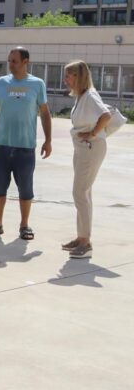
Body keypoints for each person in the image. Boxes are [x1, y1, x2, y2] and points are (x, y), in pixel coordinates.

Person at [0, 47, 52, 241]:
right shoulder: (2, 83)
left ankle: (24, 225)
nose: (10, 64)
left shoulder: (37, 84)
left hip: (25, 146)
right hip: (1, 144)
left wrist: (48, 140)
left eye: (14, 61)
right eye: (9, 61)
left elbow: (45, 113)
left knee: (25, 189)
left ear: (26, 61)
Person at [62, 61, 111, 259]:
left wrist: (92, 133)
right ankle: (82, 236)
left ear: (79, 76)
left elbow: (106, 115)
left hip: (91, 147)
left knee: (79, 192)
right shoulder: (82, 96)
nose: (65, 80)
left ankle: (85, 242)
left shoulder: (89, 95)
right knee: (84, 193)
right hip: (82, 148)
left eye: (69, 76)